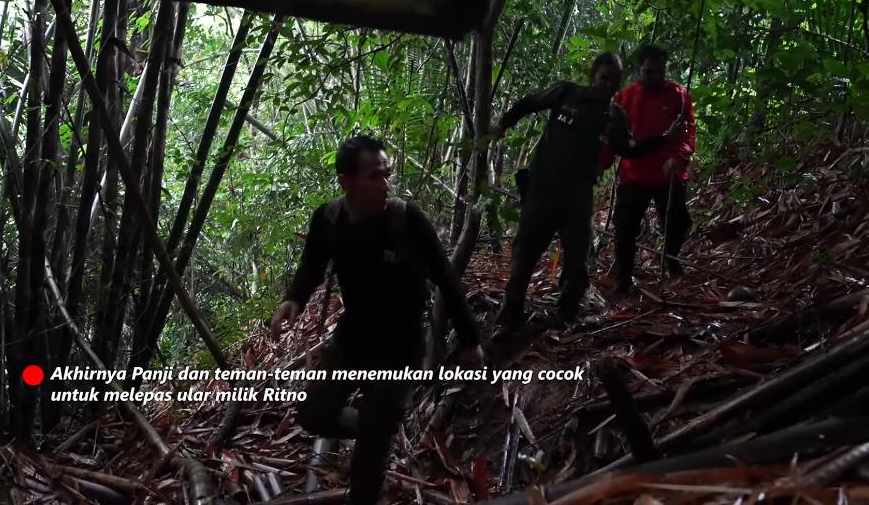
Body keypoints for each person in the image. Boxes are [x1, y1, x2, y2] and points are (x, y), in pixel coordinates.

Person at [269, 135, 483, 505]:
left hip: (401, 346)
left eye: (388, 174)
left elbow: (446, 278)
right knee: (314, 414)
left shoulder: (406, 220)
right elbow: (312, 266)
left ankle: (376, 437)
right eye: (374, 176)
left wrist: (470, 339)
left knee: (368, 465)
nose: (386, 184)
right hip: (354, 334)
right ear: (346, 181)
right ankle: (373, 426)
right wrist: (294, 299)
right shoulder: (329, 219)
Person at [490, 52, 672, 334]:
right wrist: (501, 125)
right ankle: (510, 311)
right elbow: (529, 103)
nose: (608, 85)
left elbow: (629, 149)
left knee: (578, 259)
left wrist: (663, 141)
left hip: (577, 197)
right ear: (593, 76)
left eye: (614, 81)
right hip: (543, 188)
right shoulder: (566, 92)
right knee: (525, 252)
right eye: (604, 78)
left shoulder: (614, 116)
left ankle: (565, 314)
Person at [601, 44, 696, 294]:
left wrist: (680, 157)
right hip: (634, 175)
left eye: (657, 71)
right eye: (647, 71)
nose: (652, 76)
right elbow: (614, 139)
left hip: (669, 175)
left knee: (678, 223)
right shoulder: (623, 98)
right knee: (625, 228)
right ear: (639, 70)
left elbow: (688, 133)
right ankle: (623, 280)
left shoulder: (679, 95)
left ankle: (671, 260)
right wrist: (600, 165)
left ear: (665, 70)